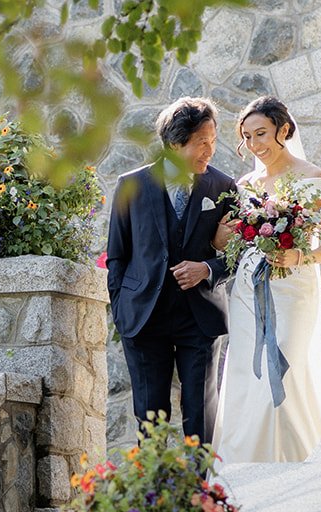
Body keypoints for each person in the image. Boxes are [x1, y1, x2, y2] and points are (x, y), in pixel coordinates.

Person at [214, 95, 321, 463]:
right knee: (246, 369)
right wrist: (225, 234)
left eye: (261, 134)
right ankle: (242, 465)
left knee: (285, 367)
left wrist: (299, 255)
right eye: (247, 137)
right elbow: (229, 242)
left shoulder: (314, 178)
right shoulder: (245, 184)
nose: (255, 145)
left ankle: (295, 461)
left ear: (283, 130)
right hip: (247, 289)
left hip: (293, 288)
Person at [105, 97, 236, 444]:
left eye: (212, 140)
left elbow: (239, 254)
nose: (210, 150)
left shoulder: (223, 188)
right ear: (175, 143)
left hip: (200, 317)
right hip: (144, 317)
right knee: (150, 419)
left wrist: (207, 268)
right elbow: (116, 256)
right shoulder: (130, 185)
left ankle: (199, 495)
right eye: (201, 142)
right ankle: (155, 498)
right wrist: (121, 310)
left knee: (201, 414)